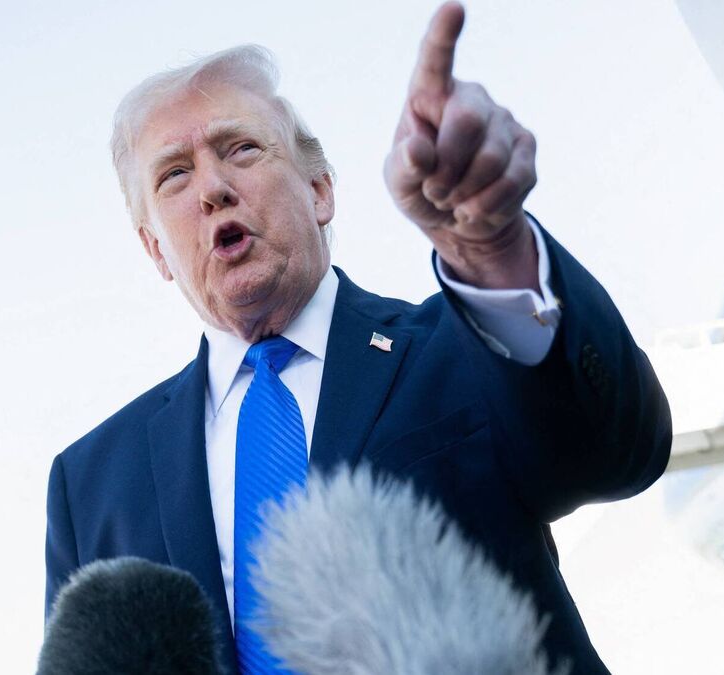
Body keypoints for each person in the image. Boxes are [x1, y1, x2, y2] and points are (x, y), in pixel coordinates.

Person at [44, 4, 671, 674]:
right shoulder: (91, 484)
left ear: (320, 191)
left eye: (241, 149)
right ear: (155, 250)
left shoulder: (465, 347)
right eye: (174, 174)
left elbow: (619, 454)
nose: (214, 188)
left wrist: (495, 247)